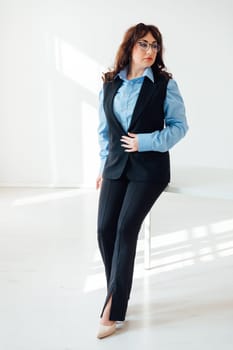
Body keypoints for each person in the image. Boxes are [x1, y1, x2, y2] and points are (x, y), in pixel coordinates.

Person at [96, 22, 188, 339]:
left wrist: (144, 142)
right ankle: (116, 290)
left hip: (150, 169)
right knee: (104, 229)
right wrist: (102, 165)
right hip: (115, 166)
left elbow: (179, 127)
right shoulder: (110, 83)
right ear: (130, 47)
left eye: (154, 45)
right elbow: (104, 131)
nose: (150, 51)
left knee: (124, 228)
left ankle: (113, 308)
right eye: (143, 45)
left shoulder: (164, 84)